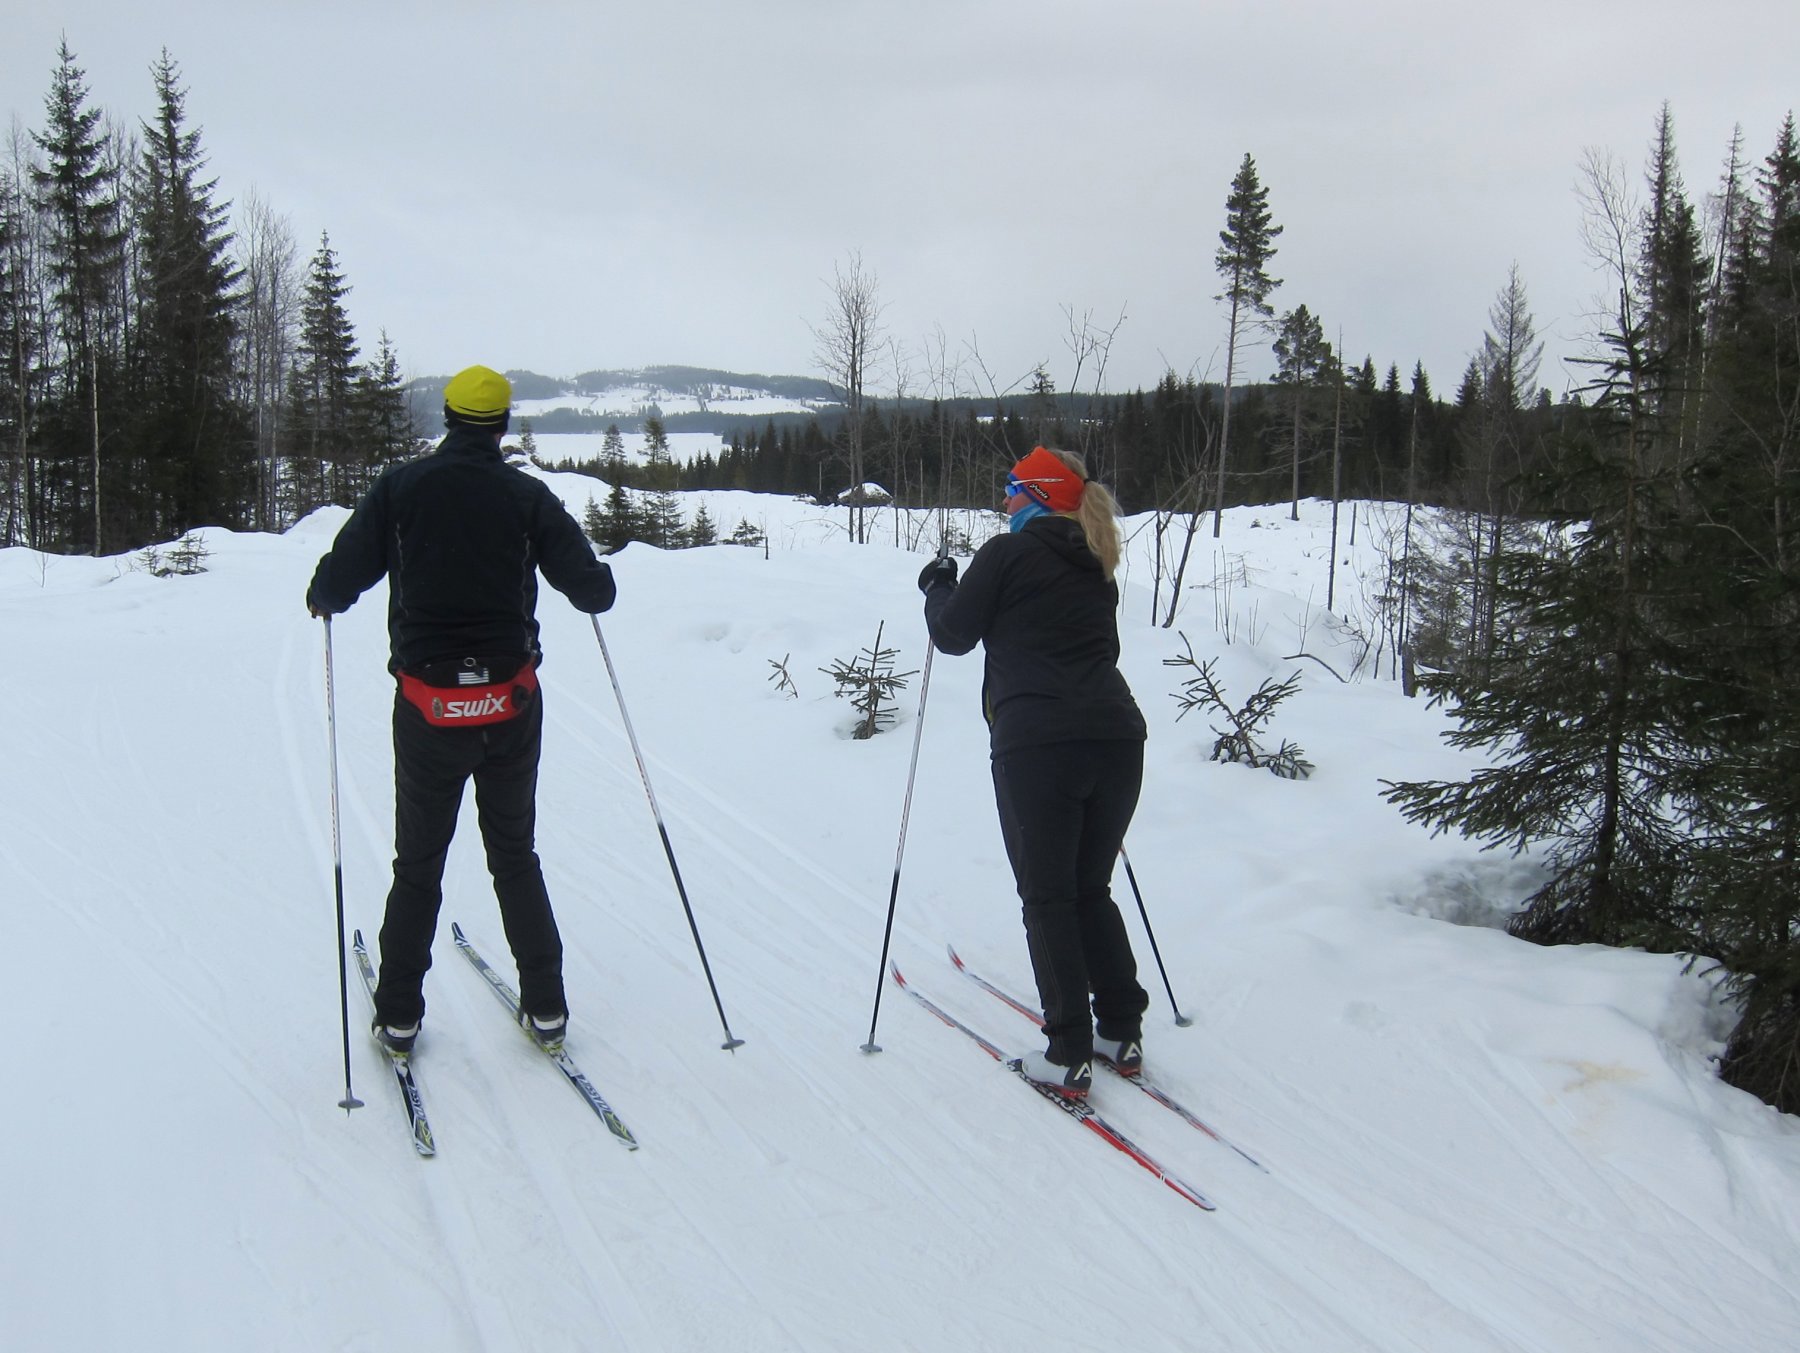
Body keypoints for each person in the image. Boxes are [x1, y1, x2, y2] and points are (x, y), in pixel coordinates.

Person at [306, 364, 616, 1055]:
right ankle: (547, 1007)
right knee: (514, 853)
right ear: (501, 426)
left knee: (419, 863)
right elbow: (592, 589)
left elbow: (340, 575)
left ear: (448, 418)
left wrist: (324, 596)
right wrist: (597, 582)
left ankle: (399, 1015)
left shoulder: (401, 489)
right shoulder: (526, 496)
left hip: (429, 711)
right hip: (510, 706)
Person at [918, 445, 1149, 1098]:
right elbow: (1107, 649)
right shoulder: (1097, 564)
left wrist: (938, 584)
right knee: (1088, 888)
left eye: (1011, 487)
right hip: (1118, 738)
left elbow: (954, 634)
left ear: (1041, 494)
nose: (1002, 499)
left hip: (1038, 744)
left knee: (1048, 897)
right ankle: (1120, 1030)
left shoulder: (1006, 553)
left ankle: (1068, 1052)